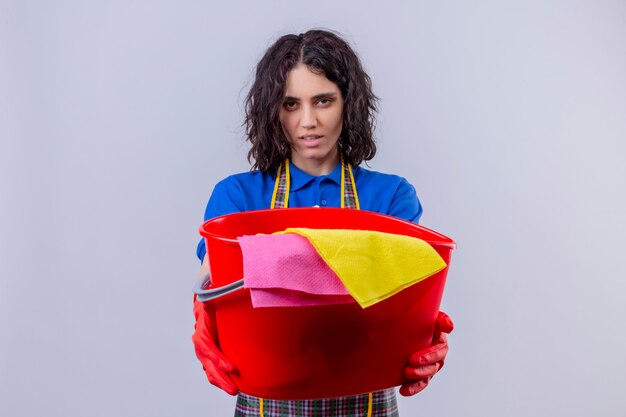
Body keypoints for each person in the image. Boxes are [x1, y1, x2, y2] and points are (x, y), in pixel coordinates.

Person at [192, 29, 454, 417]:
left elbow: (401, 304)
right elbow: (212, 283)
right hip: (266, 404)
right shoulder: (237, 199)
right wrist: (202, 313)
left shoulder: (392, 198)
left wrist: (420, 329)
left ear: (349, 103)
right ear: (272, 109)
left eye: (323, 101)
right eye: (291, 104)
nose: (308, 121)